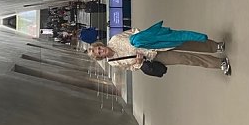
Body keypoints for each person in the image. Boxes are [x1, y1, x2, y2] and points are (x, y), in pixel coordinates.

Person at [88, 21, 230, 76]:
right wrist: (137, 63)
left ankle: (215, 46)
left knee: (185, 42)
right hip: (154, 57)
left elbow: (133, 31)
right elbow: (130, 68)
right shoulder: (113, 62)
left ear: (100, 45)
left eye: (99, 48)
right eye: (99, 53)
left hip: (155, 43)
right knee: (186, 59)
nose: (101, 51)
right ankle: (219, 64)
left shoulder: (115, 39)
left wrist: (141, 39)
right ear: (100, 57)